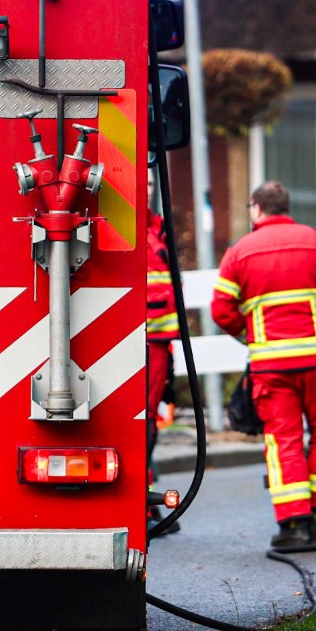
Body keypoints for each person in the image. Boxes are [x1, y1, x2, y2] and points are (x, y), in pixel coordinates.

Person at [212, 180, 316, 552]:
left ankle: (293, 525)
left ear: (257, 209)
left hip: (272, 367)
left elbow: (221, 310)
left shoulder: (239, 251)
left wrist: (251, 336)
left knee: (283, 440)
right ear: (286, 206)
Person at [144, 170, 181, 534]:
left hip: (157, 344)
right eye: (146, 184)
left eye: (154, 185)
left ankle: (148, 501)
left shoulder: (159, 229)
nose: (150, 191)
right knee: (139, 423)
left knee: (148, 424)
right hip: (135, 341)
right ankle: (144, 502)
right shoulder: (129, 228)